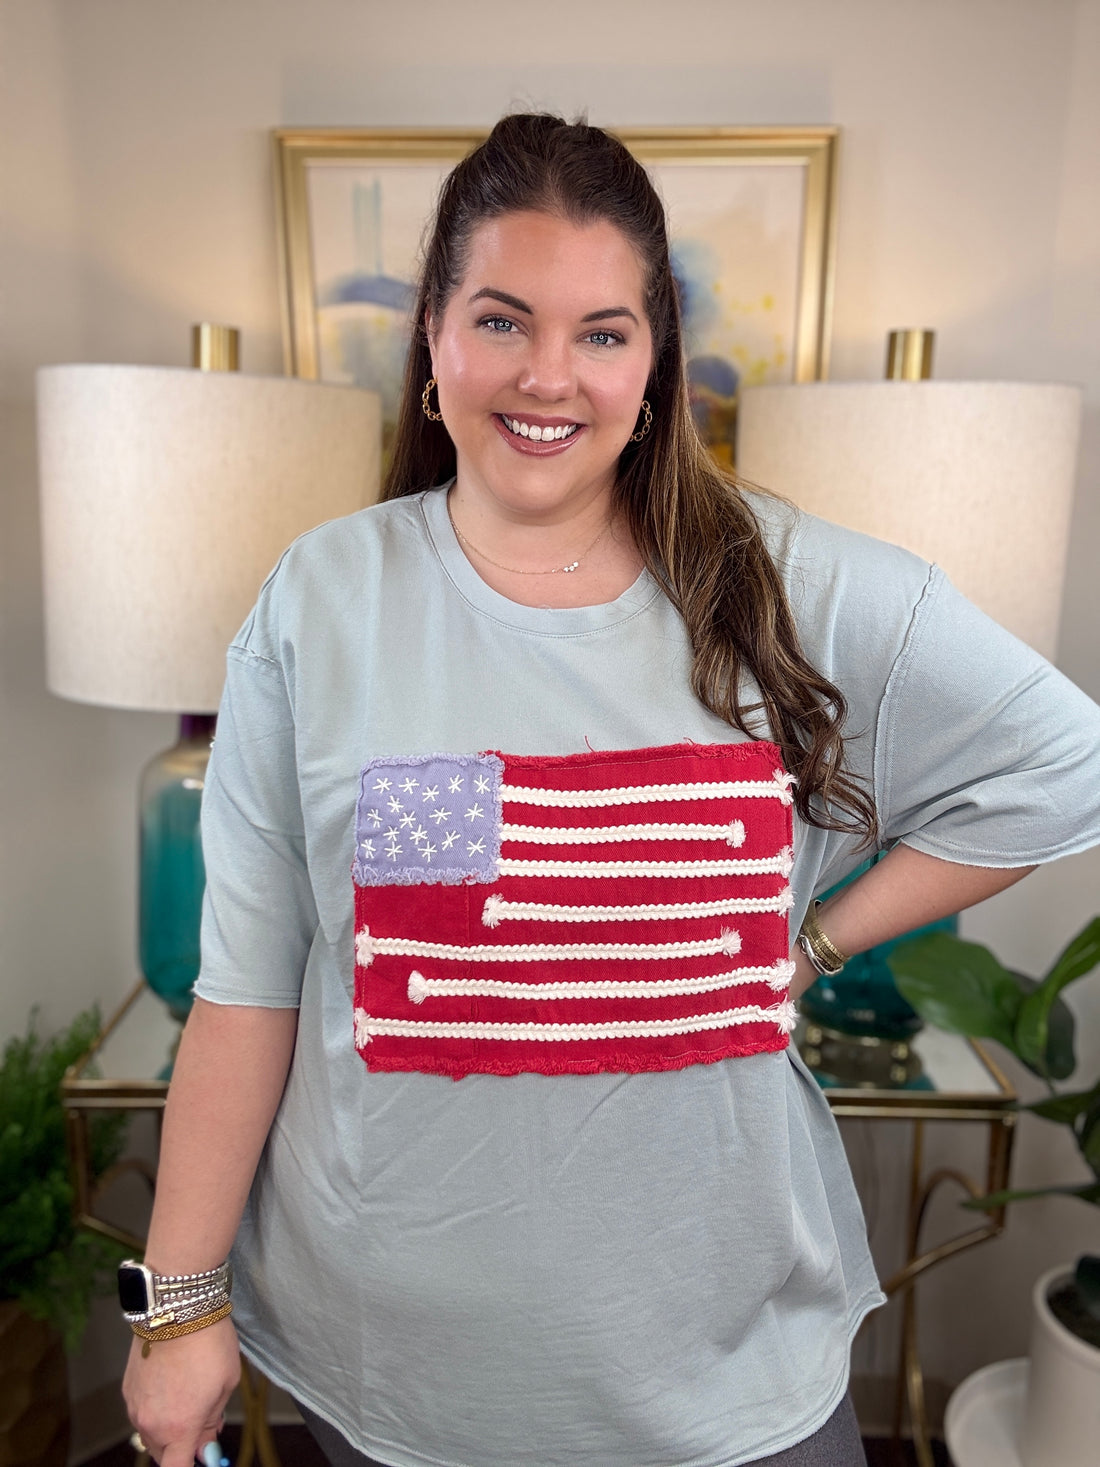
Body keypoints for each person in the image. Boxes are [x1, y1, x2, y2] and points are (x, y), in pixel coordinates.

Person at [122, 114, 1100, 1467]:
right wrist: (178, 1310)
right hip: (395, 1378)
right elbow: (248, 988)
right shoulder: (322, 601)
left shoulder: (793, 586)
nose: (550, 375)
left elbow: (1063, 771)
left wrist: (815, 941)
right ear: (436, 343)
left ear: (653, 367)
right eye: (503, 319)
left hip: (729, 1379)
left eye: (602, 332)